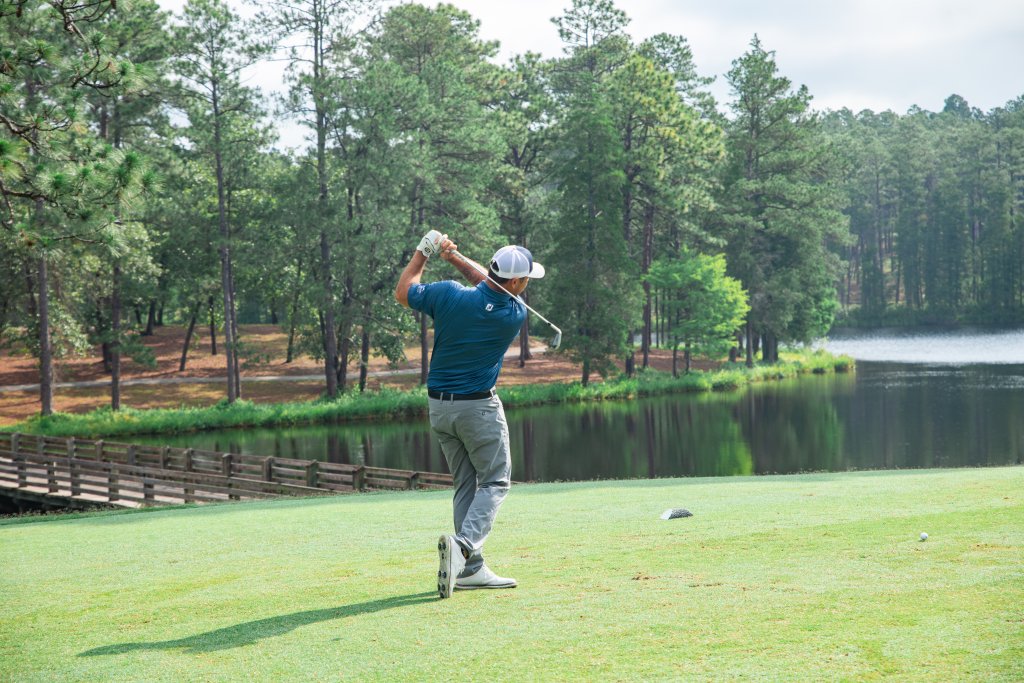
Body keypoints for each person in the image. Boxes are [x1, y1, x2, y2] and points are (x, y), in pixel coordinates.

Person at [394, 230, 545, 599]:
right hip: (477, 408)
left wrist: (425, 253)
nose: (526, 286)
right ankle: (463, 549)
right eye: (526, 279)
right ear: (516, 281)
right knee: (495, 481)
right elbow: (489, 287)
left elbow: (405, 291)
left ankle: (471, 570)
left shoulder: (447, 294)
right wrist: (456, 259)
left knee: (465, 483)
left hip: (439, 408)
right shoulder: (514, 313)